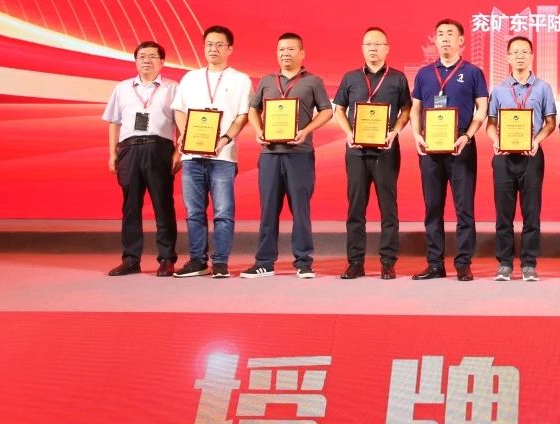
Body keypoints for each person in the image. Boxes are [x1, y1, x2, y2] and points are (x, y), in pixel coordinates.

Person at [242, 32, 333, 278]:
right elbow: (253, 109)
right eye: (281, 49)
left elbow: (327, 111)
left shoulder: (313, 81)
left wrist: (306, 130)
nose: (285, 53)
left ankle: (304, 262)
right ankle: (264, 262)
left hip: (299, 154)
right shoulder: (267, 81)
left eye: (291, 49)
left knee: (300, 210)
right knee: (268, 210)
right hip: (270, 154)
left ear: (302, 53)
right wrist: (259, 130)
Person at [409, 18, 489, 281]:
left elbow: (482, 108)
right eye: (440, 33)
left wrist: (467, 135)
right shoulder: (424, 73)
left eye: (450, 34)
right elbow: (415, 109)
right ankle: (435, 263)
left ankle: (463, 263)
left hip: (460, 145)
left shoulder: (473, 72)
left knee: (464, 208)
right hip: (430, 147)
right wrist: (416, 135)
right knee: (432, 207)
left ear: (461, 40)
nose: (444, 38)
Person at [332, 27, 412, 280]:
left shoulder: (398, 78)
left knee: (388, 208)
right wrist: (348, 133)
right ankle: (355, 262)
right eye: (368, 44)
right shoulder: (350, 78)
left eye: (378, 44)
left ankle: (388, 261)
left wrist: (394, 132)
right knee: (356, 208)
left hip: (386, 151)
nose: (373, 48)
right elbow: (339, 109)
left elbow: (407, 110)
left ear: (387, 48)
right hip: (356, 152)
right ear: (362, 48)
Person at [172, 25, 252, 278]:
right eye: (209, 44)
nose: (213, 49)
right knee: (194, 212)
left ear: (230, 49)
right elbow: (179, 109)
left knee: (223, 212)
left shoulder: (241, 80)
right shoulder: (190, 78)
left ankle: (220, 262)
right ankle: (197, 260)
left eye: (219, 44)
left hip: (223, 157)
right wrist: (184, 133)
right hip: (192, 156)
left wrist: (225, 139)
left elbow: (243, 115)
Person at [102, 41, 179, 276]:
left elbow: (181, 122)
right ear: (136, 61)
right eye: (142, 56)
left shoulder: (172, 88)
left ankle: (166, 259)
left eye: (152, 56)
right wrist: (112, 152)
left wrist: (178, 151)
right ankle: (130, 259)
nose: (147, 60)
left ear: (162, 62)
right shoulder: (122, 88)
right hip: (129, 149)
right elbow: (114, 122)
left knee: (163, 205)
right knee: (130, 207)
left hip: (159, 148)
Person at [486, 36, 557, 281]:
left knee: (531, 213)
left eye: (525, 51)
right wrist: (496, 140)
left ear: (532, 56)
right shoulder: (498, 90)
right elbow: (491, 123)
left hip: (532, 157)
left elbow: (550, 123)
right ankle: (504, 263)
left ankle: (528, 263)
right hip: (504, 158)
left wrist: (536, 141)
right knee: (503, 214)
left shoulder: (543, 88)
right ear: (508, 57)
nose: (520, 56)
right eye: (515, 52)